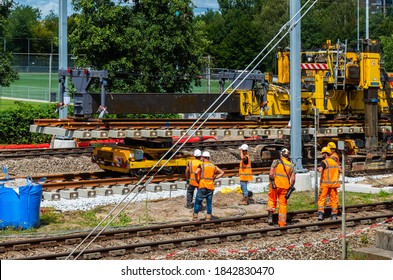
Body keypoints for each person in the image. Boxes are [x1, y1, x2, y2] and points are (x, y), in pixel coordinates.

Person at [192, 151, 224, 221]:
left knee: (197, 202)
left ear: (203, 157)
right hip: (210, 187)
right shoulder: (213, 166)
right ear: (209, 158)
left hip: (202, 185)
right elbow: (222, 172)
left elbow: (196, 172)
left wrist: (197, 180)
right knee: (209, 203)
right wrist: (215, 177)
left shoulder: (202, 165)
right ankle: (208, 217)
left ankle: (195, 217)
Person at [267, 148, 296, 227]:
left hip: (275, 185)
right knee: (283, 204)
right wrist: (290, 187)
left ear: (281, 155)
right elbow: (293, 179)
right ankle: (282, 223)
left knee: (272, 199)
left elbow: (271, 174)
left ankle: (270, 217)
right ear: (288, 156)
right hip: (285, 187)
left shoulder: (275, 162)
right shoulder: (291, 165)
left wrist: (272, 183)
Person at [317, 146, 342, 221]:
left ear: (325, 154)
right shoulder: (334, 163)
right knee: (333, 199)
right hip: (333, 184)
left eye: (322, 154)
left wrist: (318, 169)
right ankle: (334, 214)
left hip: (325, 185)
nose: (322, 155)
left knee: (322, 198)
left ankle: (321, 214)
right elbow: (340, 170)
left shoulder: (324, 162)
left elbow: (321, 170)